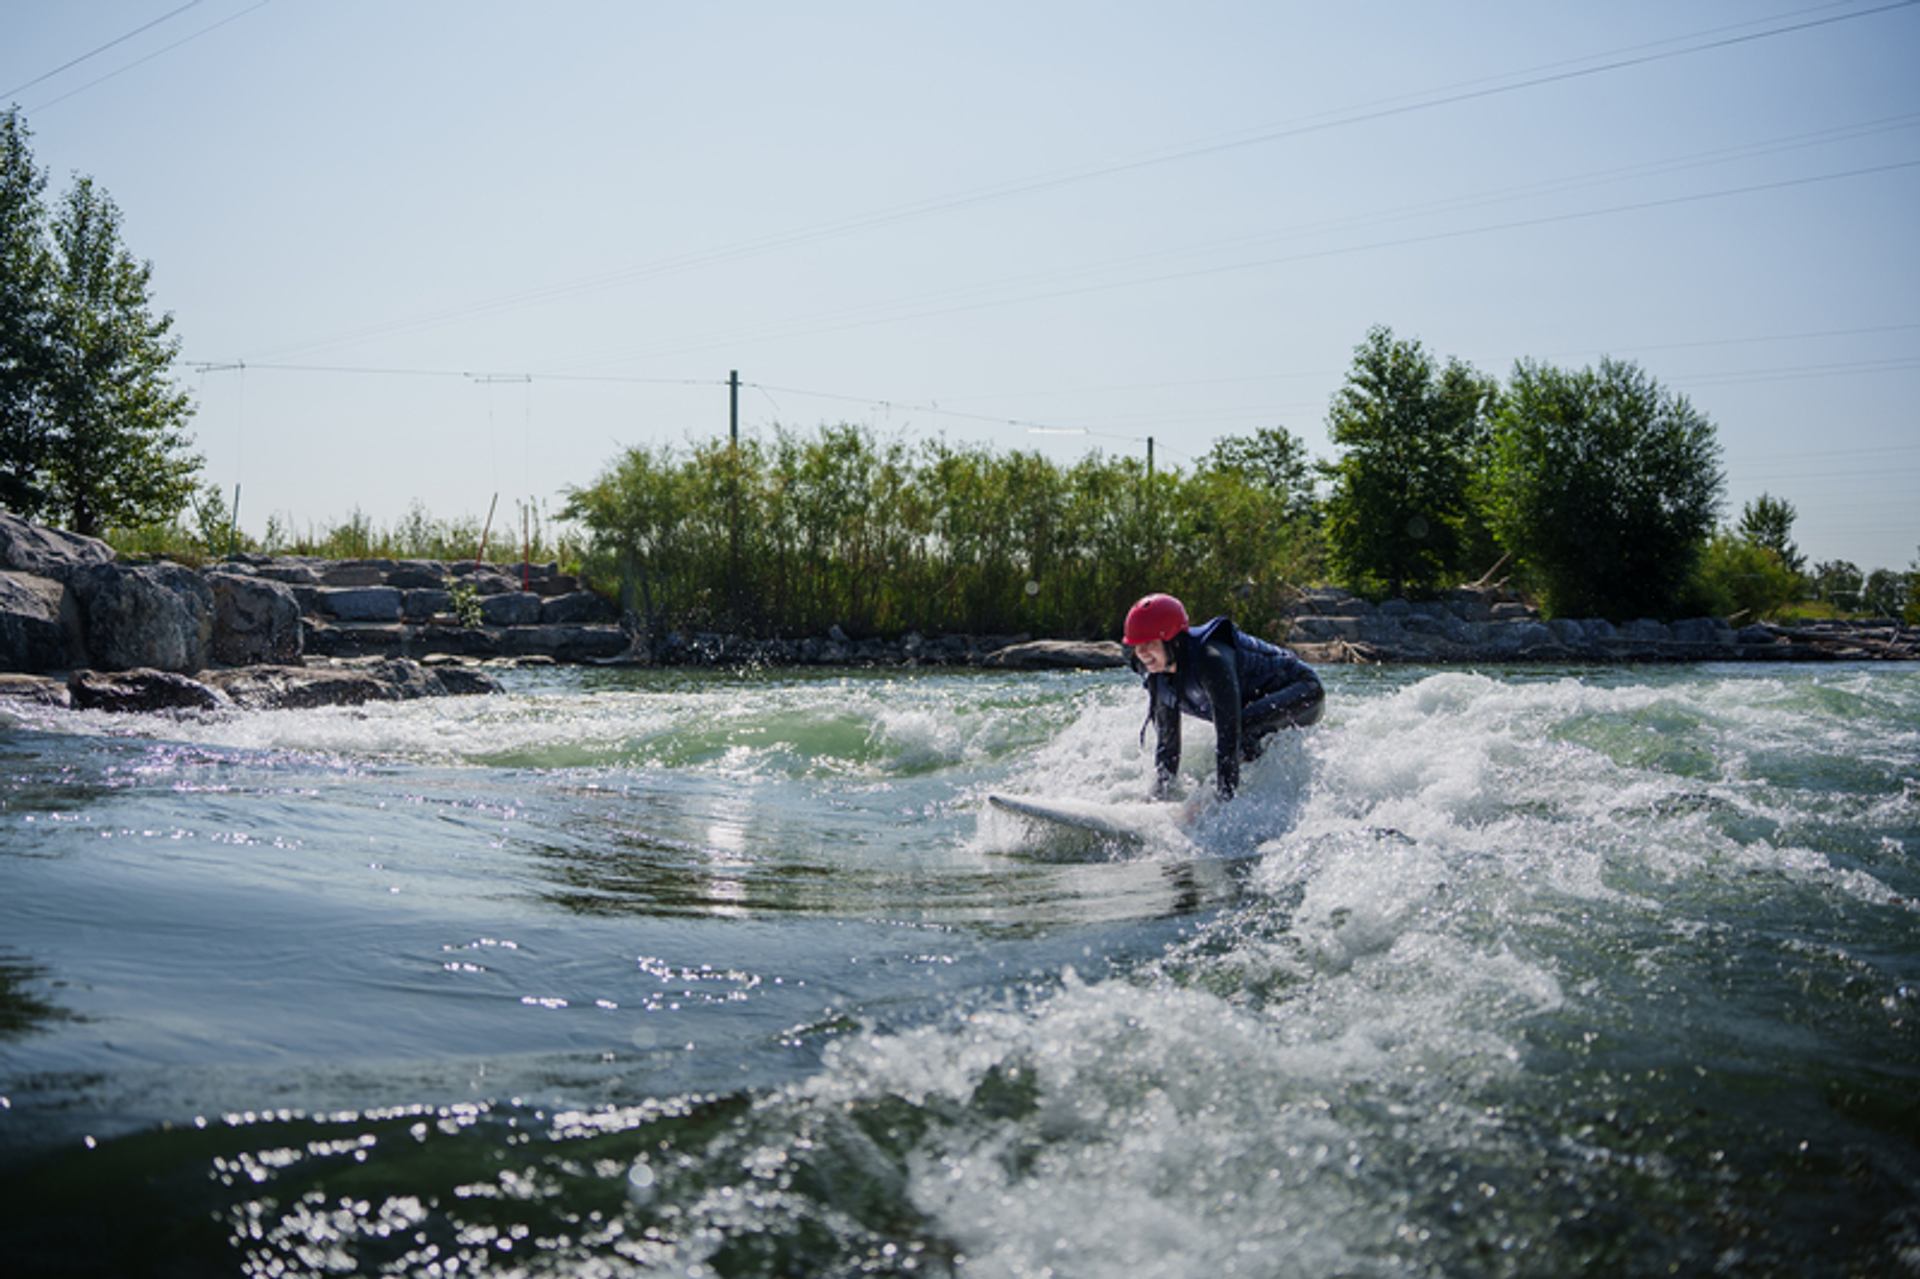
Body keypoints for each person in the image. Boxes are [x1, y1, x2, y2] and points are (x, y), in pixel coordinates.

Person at [1123, 592, 1323, 801]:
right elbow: (1168, 746)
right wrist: (1158, 799)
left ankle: (1245, 804)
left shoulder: (1211, 660)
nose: (1142, 652)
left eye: (1149, 643)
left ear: (1173, 640)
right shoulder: (1155, 673)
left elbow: (1229, 739)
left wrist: (1218, 807)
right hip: (1254, 705)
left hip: (1303, 691)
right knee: (1240, 730)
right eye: (1136, 645)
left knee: (1241, 730)